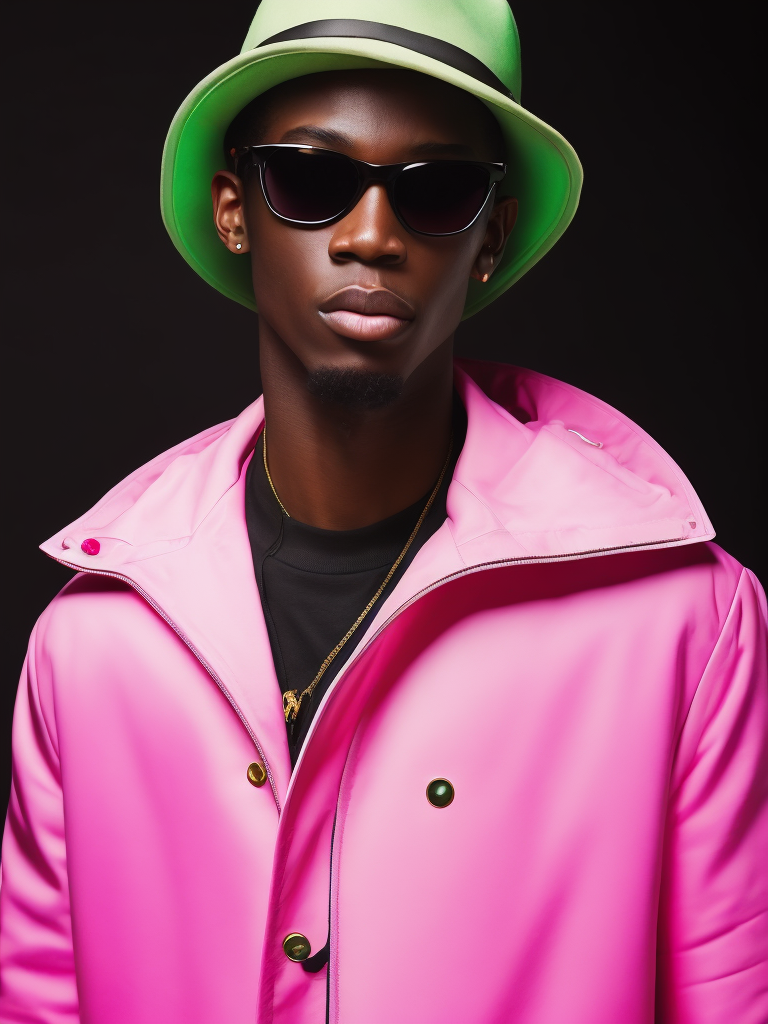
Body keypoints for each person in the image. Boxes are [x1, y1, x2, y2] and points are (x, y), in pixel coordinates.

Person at [1, 2, 766, 1022]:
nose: (371, 236)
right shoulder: (87, 648)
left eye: (436, 191)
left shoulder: (688, 626)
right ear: (235, 209)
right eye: (311, 181)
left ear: (490, 236)